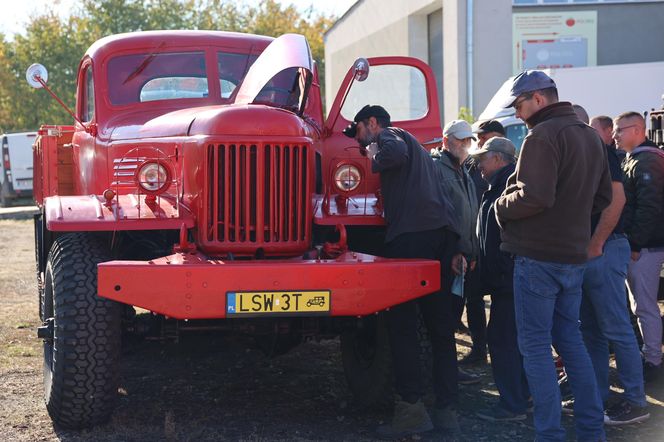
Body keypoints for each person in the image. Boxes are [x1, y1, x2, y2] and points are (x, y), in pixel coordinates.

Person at [495, 70, 612, 442]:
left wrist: (500, 206)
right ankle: (592, 430)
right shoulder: (588, 135)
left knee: (535, 347)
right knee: (571, 342)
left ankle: (549, 434)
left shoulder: (542, 135)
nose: (518, 112)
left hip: (538, 258)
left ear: (539, 98)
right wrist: (573, 221)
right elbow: (603, 198)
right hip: (572, 257)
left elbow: (535, 197)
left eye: (519, 103)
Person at [343, 105, 461, 437]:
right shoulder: (424, 154)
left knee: (403, 325)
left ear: (372, 122)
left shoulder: (391, 136)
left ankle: (411, 411)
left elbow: (389, 154)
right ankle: (447, 411)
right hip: (442, 236)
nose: (360, 140)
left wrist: (371, 152)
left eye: (360, 132)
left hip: (412, 237)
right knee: (440, 329)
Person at [577, 112, 650, 425]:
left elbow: (617, 201)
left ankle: (636, 401)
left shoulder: (599, 152)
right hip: (593, 250)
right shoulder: (586, 151)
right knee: (592, 330)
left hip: (603, 248)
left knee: (616, 328)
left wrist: (596, 244)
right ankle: (598, 397)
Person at [470, 137, 531, 422]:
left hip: (509, 279)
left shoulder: (507, 186)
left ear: (497, 159)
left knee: (503, 340)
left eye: (482, 158)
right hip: (506, 279)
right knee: (514, 340)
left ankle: (513, 405)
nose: (479, 165)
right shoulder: (497, 185)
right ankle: (523, 397)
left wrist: (502, 272)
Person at [431, 120, 482, 382]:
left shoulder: (462, 170)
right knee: (444, 317)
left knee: (453, 314)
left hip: (463, 257)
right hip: (449, 257)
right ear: (446, 140)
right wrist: (454, 251)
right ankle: (444, 371)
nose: (465, 145)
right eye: (460, 140)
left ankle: (447, 369)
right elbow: (441, 216)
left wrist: (471, 253)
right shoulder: (437, 169)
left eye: (467, 140)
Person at [615, 111, 664, 383]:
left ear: (637, 130)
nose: (615, 135)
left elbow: (649, 208)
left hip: (645, 247)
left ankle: (653, 360)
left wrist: (635, 243)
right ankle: (651, 356)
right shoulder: (639, 159)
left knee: (644, 306)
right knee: (642, 306)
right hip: (643, 245)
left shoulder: (646, 161)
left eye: (620, 130)